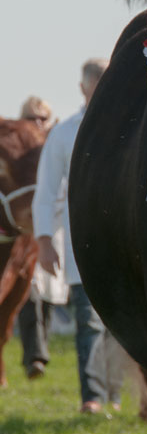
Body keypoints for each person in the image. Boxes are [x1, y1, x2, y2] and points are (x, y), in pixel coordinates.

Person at [32, 59, 123, 413]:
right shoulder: (64, 133)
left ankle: (114, 393)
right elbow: (46, 190)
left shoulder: (131, 125)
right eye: (95, 85)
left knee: (122, 326)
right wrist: (43, 242)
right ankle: (93, 397)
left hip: (128, 242)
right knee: (88, 321)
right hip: (82, 245)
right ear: (83, 89)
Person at [15, 96, 67, 379]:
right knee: (30, 291)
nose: (38, 123)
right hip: (26, 233)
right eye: (31, 118)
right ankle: (35, 356)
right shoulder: (16, 154)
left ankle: (40, 351)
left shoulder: (58, 146)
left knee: (48, 294)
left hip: (59, 229)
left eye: (43, 118)